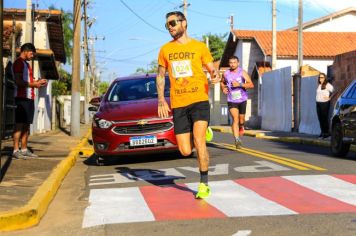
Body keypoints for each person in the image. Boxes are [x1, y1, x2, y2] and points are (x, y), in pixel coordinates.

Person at [156, 11, 220, 199]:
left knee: (199, 141)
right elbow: (160, 75)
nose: (170, 27)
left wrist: (215, 75)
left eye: (173, 23)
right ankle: (200, 131)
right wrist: (161, 99)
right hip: (179, 103)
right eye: (167, 25)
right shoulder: (165, 50)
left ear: (184, 23)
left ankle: (203, 184)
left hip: (199, 99)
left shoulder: (199, 47)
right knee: (185, 150)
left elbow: (211, 69)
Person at [12, 43, 48, 159]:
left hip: (29, 98)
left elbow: (28, 81)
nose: (32, 56)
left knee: (26, 126)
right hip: (21, 98)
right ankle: (15, 150)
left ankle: (24, 149)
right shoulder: (18, 63)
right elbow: (18, 81)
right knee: (19, 125)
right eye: (31, 53)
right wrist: (34, 84)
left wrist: (39, 81)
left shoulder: (27, 65)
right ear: (26, 51)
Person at [221, 56, 254, 149]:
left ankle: (242, 126)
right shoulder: (226, 73)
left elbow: (251, 84)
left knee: (241, 120)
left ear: (238, 63)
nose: (232, 64)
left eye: (234, 62)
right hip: (231, 100)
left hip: (242, 99)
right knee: (235, 119)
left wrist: (239, 84)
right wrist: (223, 88)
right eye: (230, 62)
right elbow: (222, 82)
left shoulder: (242, 72)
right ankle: (237, 139)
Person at [316, 72, 334, 139]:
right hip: (318, 103)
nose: (320, 79)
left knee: (324, 118)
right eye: (319, 77)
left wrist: (329, 98)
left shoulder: (328, 85)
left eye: (322, 77)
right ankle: (322, 132)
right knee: (320, 119)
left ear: (325, 78)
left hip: (325, 103)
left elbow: (334, 91)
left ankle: (326, 134)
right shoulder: (319, 85)